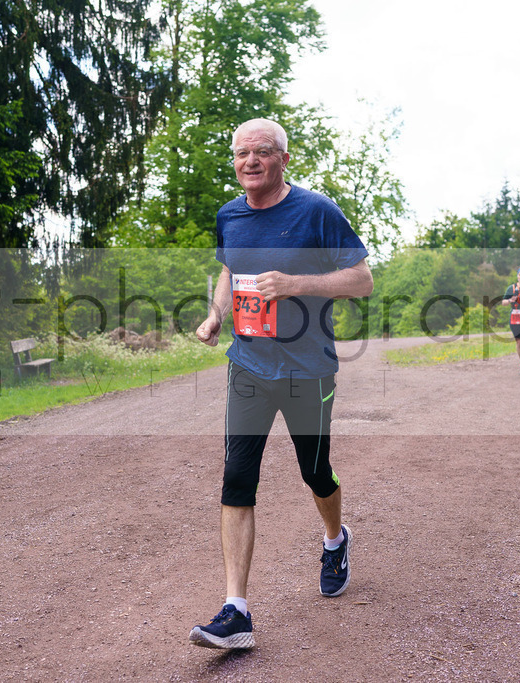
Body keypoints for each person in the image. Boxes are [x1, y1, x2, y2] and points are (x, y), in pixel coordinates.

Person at [190, 118, 373, 650]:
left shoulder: (316, 211)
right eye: (241, 153)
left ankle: (335, 539)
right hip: (248, 365)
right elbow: (229, 271)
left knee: (315, 472)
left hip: (307, 369)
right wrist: (216, 314)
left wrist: (297, 283)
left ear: (283, 159)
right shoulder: (229, 215)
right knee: (236, 477)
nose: (250, 161)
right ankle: (236, 610)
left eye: (263, 151)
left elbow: (362, 279)